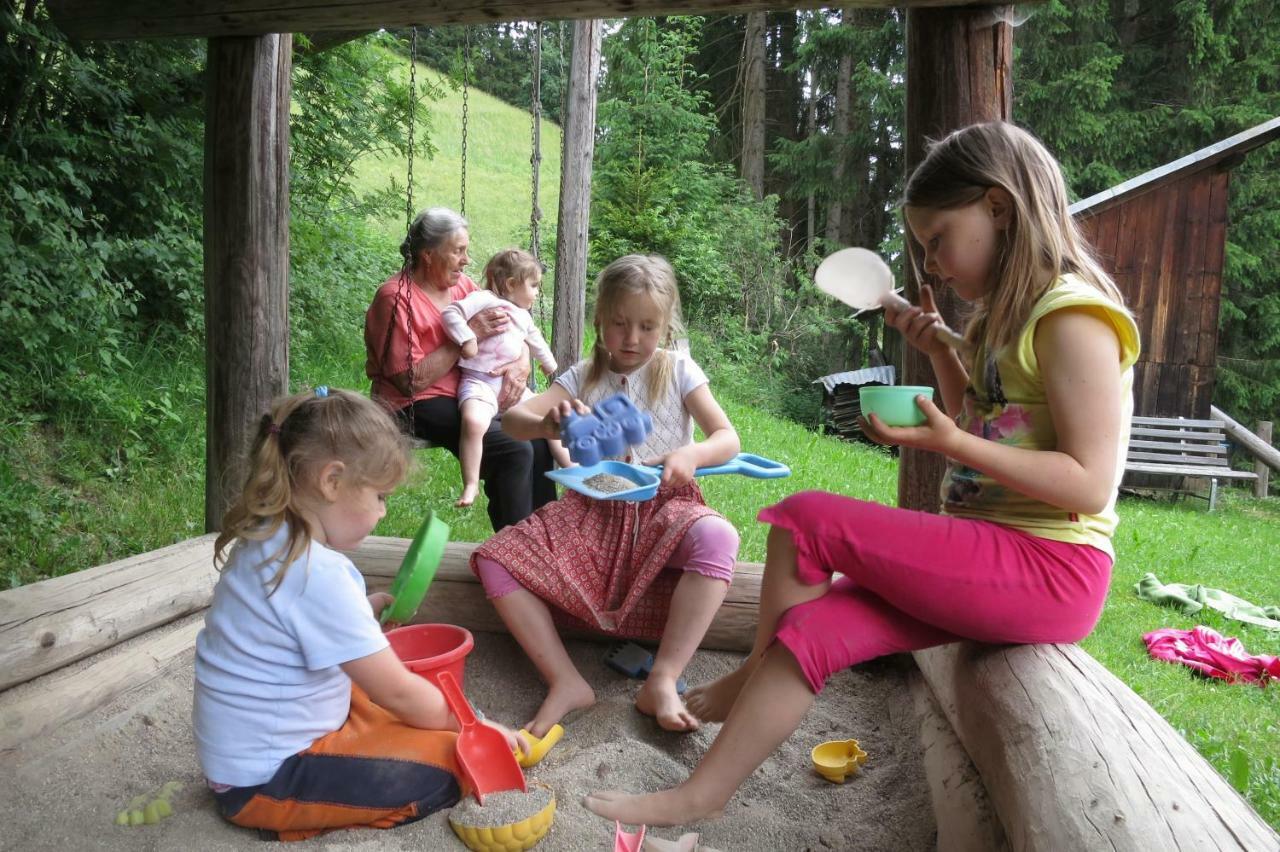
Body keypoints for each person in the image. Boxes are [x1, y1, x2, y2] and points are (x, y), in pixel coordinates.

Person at [584, 121, 1141, 826]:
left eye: (938, 238)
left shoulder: (1073, 314)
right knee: (809, 631)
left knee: (807, 517)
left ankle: (748, 678)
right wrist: (940, 352)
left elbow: (1089, 481)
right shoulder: (1013, 316)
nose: (931, 264)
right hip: (997, 557)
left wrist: (953, 444)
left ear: (998, 208)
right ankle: (699, 795)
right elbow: (986, 414)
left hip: (1052, 568)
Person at [193, 387, 525, 841]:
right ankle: (304, 817)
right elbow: (401, 694)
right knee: (450, 765)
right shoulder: (319, 574)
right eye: (381, 497)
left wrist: (361, 614)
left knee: (377, 702)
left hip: (243, 759)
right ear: (332, 481)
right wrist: (474, 726)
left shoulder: (265, 540)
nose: (383, 513)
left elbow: (287, 628)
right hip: (267, 781)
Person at [471, 254, 743, 736]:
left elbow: (727, 437)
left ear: (665, 326)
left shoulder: (679, 369)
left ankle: (662, 678)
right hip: (594, 509)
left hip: (666, 504)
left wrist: (693, 456)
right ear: (600, 319)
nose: (632, 338)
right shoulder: (581, 377)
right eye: (620, 323)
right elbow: (511, 421)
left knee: (719, 537)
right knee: (494, 558)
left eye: (647, 326)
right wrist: (545, 423)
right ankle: (565, 679)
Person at [364, 207, 556, 530]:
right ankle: (515, 551)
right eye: (458, 251)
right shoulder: (395, 298)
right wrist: (467, 338)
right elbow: (408, 382)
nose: (466, 260)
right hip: (416, 404)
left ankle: (547, 536)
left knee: (537, 431)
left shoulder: (462, 287)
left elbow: (513, 324)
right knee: (513, 447)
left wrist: (521, 362)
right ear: (428, 255)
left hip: (472, 389)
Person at [441, 248, 572, 508]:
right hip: (479, 382)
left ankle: (572, 468)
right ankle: (470, 484)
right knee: (474, 421)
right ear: (511, 284)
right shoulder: (483, 299)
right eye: (533, 286)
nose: (536, 292)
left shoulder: (523, 316)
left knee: (549, 416)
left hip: (512, 387)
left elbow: (535, 341)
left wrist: (549, 365)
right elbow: (451, 314)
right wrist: (467, 338)